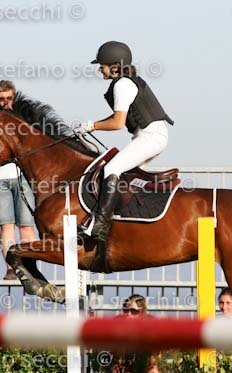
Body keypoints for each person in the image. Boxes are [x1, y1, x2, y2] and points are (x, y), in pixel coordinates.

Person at [76, 41, 174, 242]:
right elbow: (118, 117)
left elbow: (118, 123)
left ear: (114, 67)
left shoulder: (123, 85)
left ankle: (100, 225)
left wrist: (92, 125)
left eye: (102, 66)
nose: (99, 70)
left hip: (151, 137)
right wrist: (92, 126)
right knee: (127, 176)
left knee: (111, 169)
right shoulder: (125, 82)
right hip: (150, 135)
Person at [0, 80, 37, 280]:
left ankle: (29, 267)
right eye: (1, 99)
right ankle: (11, 267)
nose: (5, 102)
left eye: (9, 98)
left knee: (26, 225)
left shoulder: (23, 118)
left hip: (22, 176)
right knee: (6, 226)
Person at [111, 294, 162, 373]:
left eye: (134, 311)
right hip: (124, 364)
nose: (129, 314)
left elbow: (157, 353)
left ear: (142, 312)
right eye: (126, 310)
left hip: (145, 364)